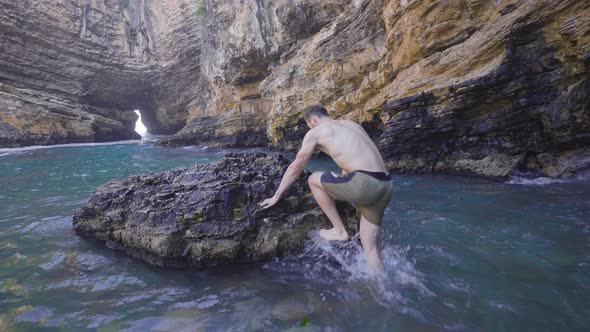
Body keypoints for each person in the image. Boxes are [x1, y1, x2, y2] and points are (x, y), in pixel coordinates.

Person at [258, 105, 393, 271]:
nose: (311, 128)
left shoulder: (316, 132)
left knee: (314, 179)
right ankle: (379, 284)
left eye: (310, 125)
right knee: (369, 246)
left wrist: (277, 195)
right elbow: (355, 158)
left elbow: (295, 168)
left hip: (364, 185)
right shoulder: (352, 125)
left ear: (313, 120)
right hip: (386, 185)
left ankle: (339, 231)